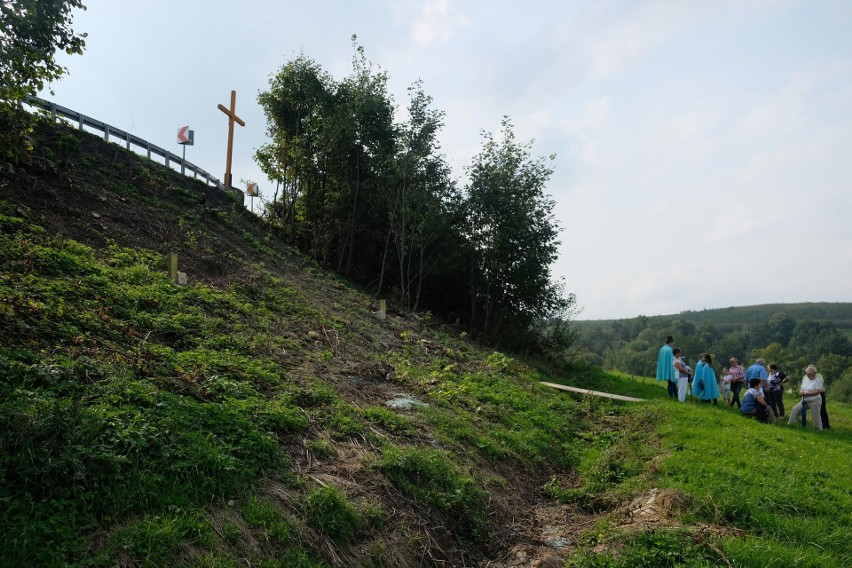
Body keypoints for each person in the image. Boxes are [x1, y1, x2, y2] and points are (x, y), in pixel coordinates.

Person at [788, 365, 824, 431]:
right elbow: (802, 388)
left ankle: (818, 429)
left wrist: (807, 393)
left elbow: (817, 391)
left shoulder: (818, 381)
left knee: (816, 416)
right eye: (807, 373)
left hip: (815, 400)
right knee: (795, 409)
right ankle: (791, 424)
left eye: (810, 374)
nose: (808, 375)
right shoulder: (805, 379)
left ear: (814, 373)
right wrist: (801, 392)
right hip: (805, 400)